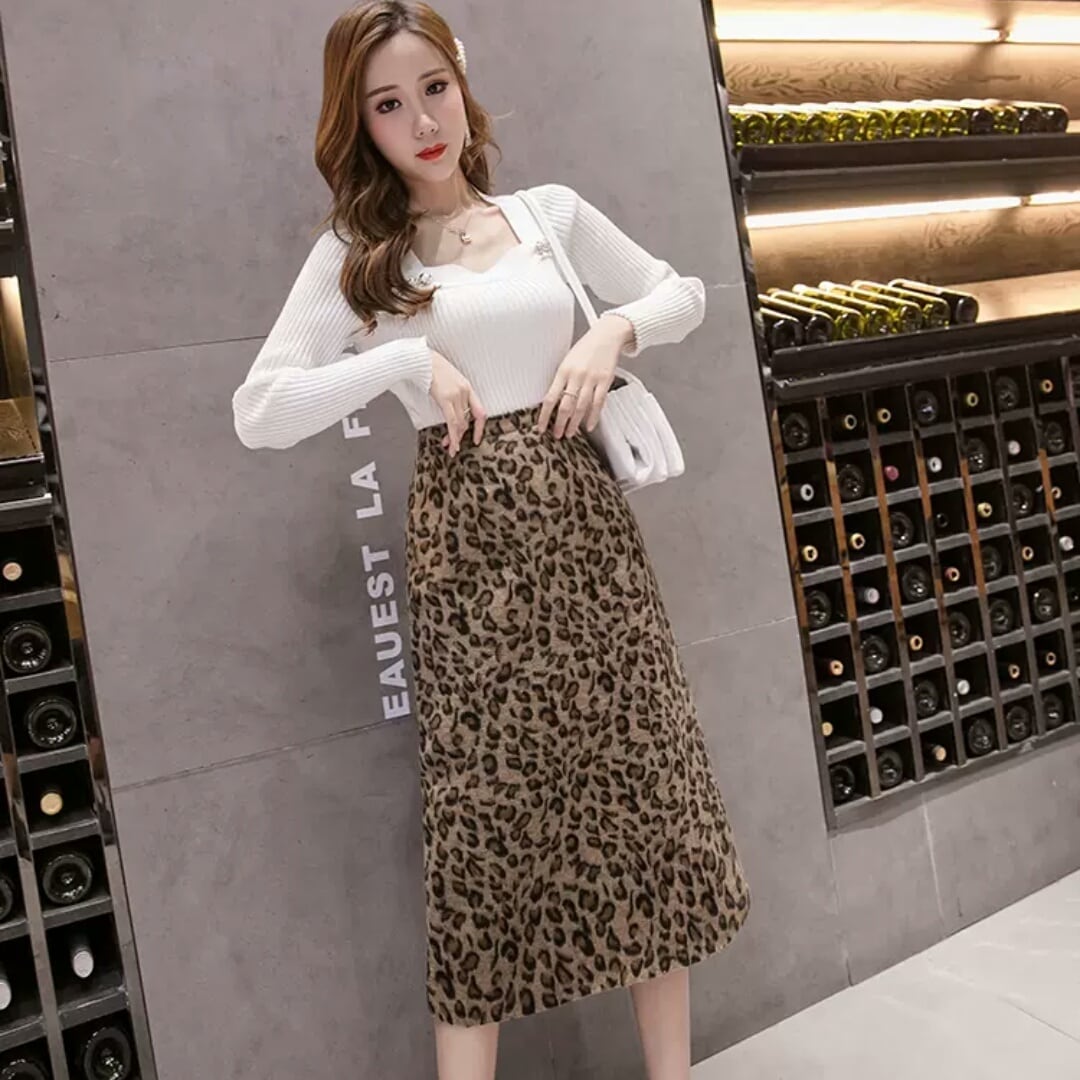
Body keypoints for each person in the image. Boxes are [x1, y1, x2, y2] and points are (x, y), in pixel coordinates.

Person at [231, 3, 751, 1078]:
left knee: (644, 801)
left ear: (462, 83)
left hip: (591, 543)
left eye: (434, 87)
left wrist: (612, 332)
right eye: (388, 104)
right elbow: (260, 410)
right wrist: (397, 363)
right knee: (483, 841)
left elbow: (685, 293)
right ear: (359, 125)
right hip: (468, 562)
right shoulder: (357, 256)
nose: (422, 121)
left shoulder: (548, 215)